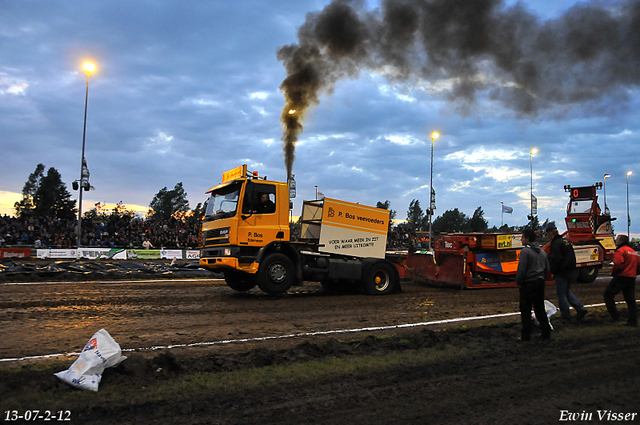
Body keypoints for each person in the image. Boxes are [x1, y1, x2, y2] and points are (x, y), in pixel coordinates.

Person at [516, 228, 552, 341]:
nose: (521, 239)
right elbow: (547, 269)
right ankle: (546, 332)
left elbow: (522, 269)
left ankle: (526, 335)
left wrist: (519, 281)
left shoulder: (525, 252)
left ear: (527, 239)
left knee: (525, 309)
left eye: (522, 237)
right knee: (539, 308)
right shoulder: (542, 251)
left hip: (528, 283)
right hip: (540, 282)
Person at [546, 224, 588, 322]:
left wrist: (553, 271)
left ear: (551, 233)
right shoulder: (566, 242)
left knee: (561, 294)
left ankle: (566, 315)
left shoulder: (556, 244)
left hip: (561, 272)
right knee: (567, 292)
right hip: (570, 271)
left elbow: (555, 259)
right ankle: (580, 307)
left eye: (548, 233)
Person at [603, 234, 640, 327]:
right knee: (630, 299)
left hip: (621, 276)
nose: (616, 241)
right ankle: (633, 320)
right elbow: (639, 267)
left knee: (608, 294)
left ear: (620, 241)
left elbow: (618, 264)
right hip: (631, 277)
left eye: (617, 240)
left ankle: (615, 317)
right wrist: (633, 273)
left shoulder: (620, 251)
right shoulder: (634, 252)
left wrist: (614, 273)